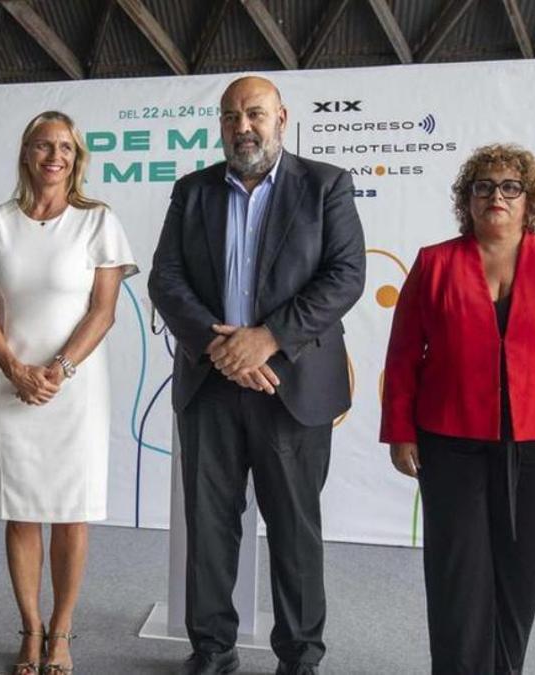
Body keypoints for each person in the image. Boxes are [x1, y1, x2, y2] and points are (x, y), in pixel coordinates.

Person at [148, 75, 365, 675]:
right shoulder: (192, 191)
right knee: (210, 530)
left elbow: (344, 276)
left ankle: (299, 658)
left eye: (254, 114)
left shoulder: (324, 186)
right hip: (210, 385)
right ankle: (211, 651)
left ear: (281, 117)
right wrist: (225, 352)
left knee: (295, 532)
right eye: (230, 117)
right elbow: (165, 279)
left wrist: (266, 340)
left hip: (291, 388)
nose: (242, 127)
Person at [380, 143, 535, 674]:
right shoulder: (435, 262)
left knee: (519, 577)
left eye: (511, 186)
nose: (497, 196)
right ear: (468, 199)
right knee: (456, 578)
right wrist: (400, 430)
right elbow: (401, 357)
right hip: (450, 441)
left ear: (531, 200)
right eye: (483, 186)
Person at [0, 110, 137, 675]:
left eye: (66, 148)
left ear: (77, 159)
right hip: (8, 384)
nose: (55, 156)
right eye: (43, 146)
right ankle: (29, 630)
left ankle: (61, 632)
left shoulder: (99, 221)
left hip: (74, 389)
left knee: (72, 514)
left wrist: (58, 369)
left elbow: (104, 311)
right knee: (22, 514)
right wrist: (15, 368)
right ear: (25, 153)